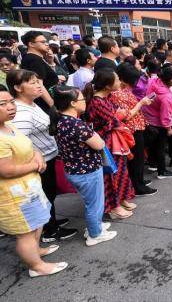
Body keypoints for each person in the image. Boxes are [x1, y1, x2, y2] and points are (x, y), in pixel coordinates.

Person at [0, 86, 68, 277]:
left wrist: (37, 155)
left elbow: (28, 146)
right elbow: (5, 170)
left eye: (11, 102)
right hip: (13, 195)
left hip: (29, 187)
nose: (10, 107)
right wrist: (36, 164)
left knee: (35, 224)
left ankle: (36, 251)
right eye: (3, 104)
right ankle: (36, 266)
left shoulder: (9, 126)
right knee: (25, 233)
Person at [7, 70, 77, 242]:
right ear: (17, 88)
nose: (38, 85)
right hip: (39, 162)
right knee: (45, 194)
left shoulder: (32, 103)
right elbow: (20, 144)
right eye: (32, 82)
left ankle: (51, 222)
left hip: (48, 156)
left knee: (49, 193)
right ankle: (50, 231)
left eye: (38, 81)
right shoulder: (20, 112)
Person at [49, 85, 117, 246]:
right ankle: (95, 234)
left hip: (75, 170)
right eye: (82, 99)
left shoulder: (61, 120)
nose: (85, 101)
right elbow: (99, 144)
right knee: (94, 204)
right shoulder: (76, 124)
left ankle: (95, 226)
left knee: (91, 201)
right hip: (87, 171)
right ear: (73, 103)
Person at [84, 69, 136, 219]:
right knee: (111, 175)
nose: (120, 82)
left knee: (121, 171)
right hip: (105, 143)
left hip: (114, 140)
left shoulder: (108, 97)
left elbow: (120, 115)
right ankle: (114, 207)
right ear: (107, 85)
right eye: (117, 80)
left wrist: (119, 115)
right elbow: (115, 120)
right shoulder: (97, 101)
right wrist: (119, 115)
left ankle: (123, 198)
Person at [112, 63, 157, 196]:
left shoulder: (125, 91)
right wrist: (141, 103)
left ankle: (139, 182)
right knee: (136, 159)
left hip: (137, 127)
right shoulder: (118, 94)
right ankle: (138, 187)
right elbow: (126, 116)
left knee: (139, 158)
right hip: (130, 130)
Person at [142, 65, 172, 179]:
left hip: (148, 117)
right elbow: (165, 116)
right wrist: (168, 128)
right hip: (158, 122)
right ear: (171, 80)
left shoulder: (153, 80)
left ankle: (153, 164)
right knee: (160, 147)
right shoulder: (166, 96)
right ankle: (162, 172)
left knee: (152, 146)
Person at [19, 31, 56, 113]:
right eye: (43, 42)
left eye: (46, 42)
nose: (46, 44)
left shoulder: (33, 58)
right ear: (31, 44)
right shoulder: (34, 60)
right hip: (44, 105)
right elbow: (39, 84)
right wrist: (53, 106)